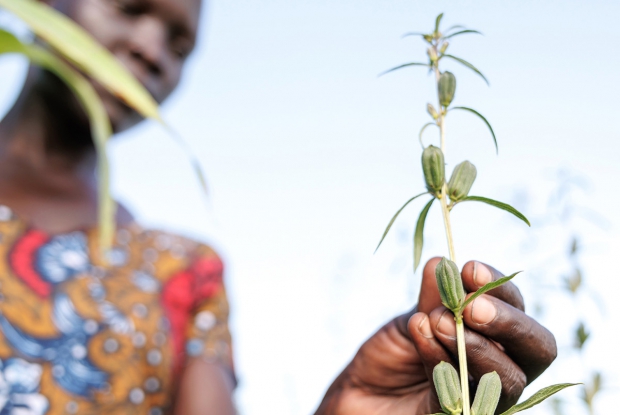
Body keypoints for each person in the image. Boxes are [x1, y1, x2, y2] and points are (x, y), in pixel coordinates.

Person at [0, 0, 557, 414]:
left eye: (179, 47)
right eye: (128, 8)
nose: (150, 50)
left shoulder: (182, 269)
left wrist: (347, 406)